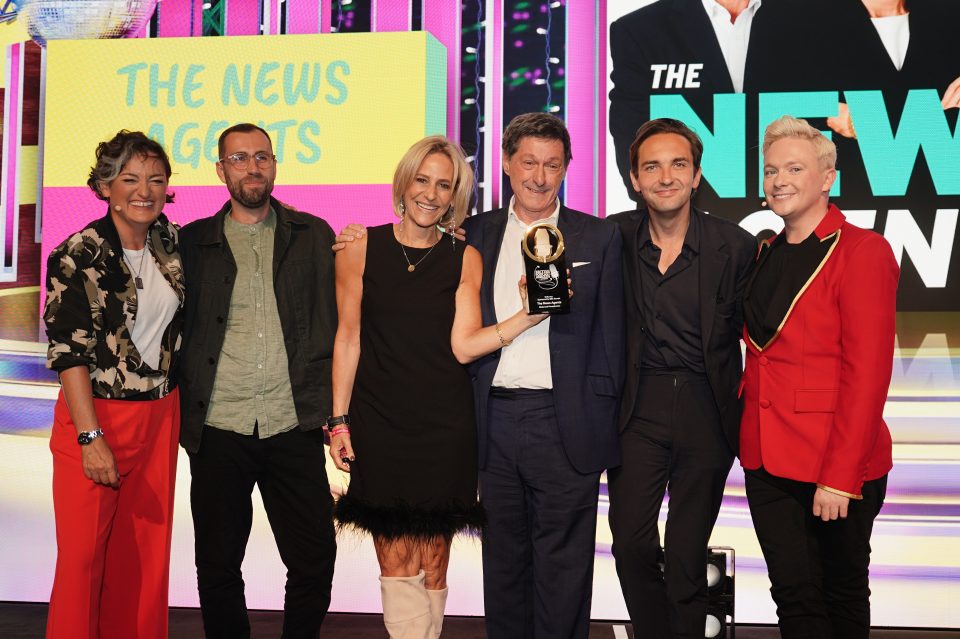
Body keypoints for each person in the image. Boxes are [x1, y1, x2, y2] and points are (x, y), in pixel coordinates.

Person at [329, 135, 548, 639]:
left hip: (446, 424)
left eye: (443, 185)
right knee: (395, 553)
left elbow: (466, 346)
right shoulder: (359, 248)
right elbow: (347, 337)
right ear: (403, 185)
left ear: (455, 197)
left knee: (434, 556)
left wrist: (526, 317)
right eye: (422, 180)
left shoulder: (464, 256)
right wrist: (338, 419)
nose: (430, 193)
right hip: (379, 420)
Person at [462, 113, 625, 639]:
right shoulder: (473, 233)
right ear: (507, 164)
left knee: (565, 566)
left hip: (567, 420)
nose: (539, 176)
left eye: (552, 165)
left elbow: (614, 334)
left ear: (567, 169)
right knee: (503, 562)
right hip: (495, 420)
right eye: (528, 162)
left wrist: (605, 415)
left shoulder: (598, 237)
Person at [178, 123, 338, 639]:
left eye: (262, 157)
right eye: (240, 158)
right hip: (219, 426)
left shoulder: (314, 235)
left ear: (275, 164)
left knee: (314, 560)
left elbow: (349, 311)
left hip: (292, 423)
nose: (253, 167)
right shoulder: (190, 242)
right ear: (221, 169)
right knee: (219, 566)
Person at [740, 115, 898, 639]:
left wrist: (840, 476)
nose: (778, 180)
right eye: (770, 170)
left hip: (832, 459)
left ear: (826, 178)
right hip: (766, 457)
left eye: (793, 168)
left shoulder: (863, 251)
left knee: (841, 594)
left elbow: (868, 375)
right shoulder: (764, 251)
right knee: (793, 599)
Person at [606, 119, 756, 639]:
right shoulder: (613, 238)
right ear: (633, 178)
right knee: (629, 543)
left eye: (678, 165)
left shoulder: (734, 246)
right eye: (652, 166)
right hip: (636, 408)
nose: (665, 176)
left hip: (705, 411)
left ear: (696, 177)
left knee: (688, 556)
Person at [43, 130, 183, 639]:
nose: (144, 190)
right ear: (105, 186)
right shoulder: (76, 254)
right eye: (129, 179)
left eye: (156, 179)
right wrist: (89, 437)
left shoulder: (171, 241)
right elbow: (69, 353)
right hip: (95, 418)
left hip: (160, 417)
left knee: (144, 561)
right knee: (83, 564)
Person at [608, 0, 808, 203]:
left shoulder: (816, 16)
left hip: (791, 212)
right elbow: (630, 134)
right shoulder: (638, 29)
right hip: (688, 219)